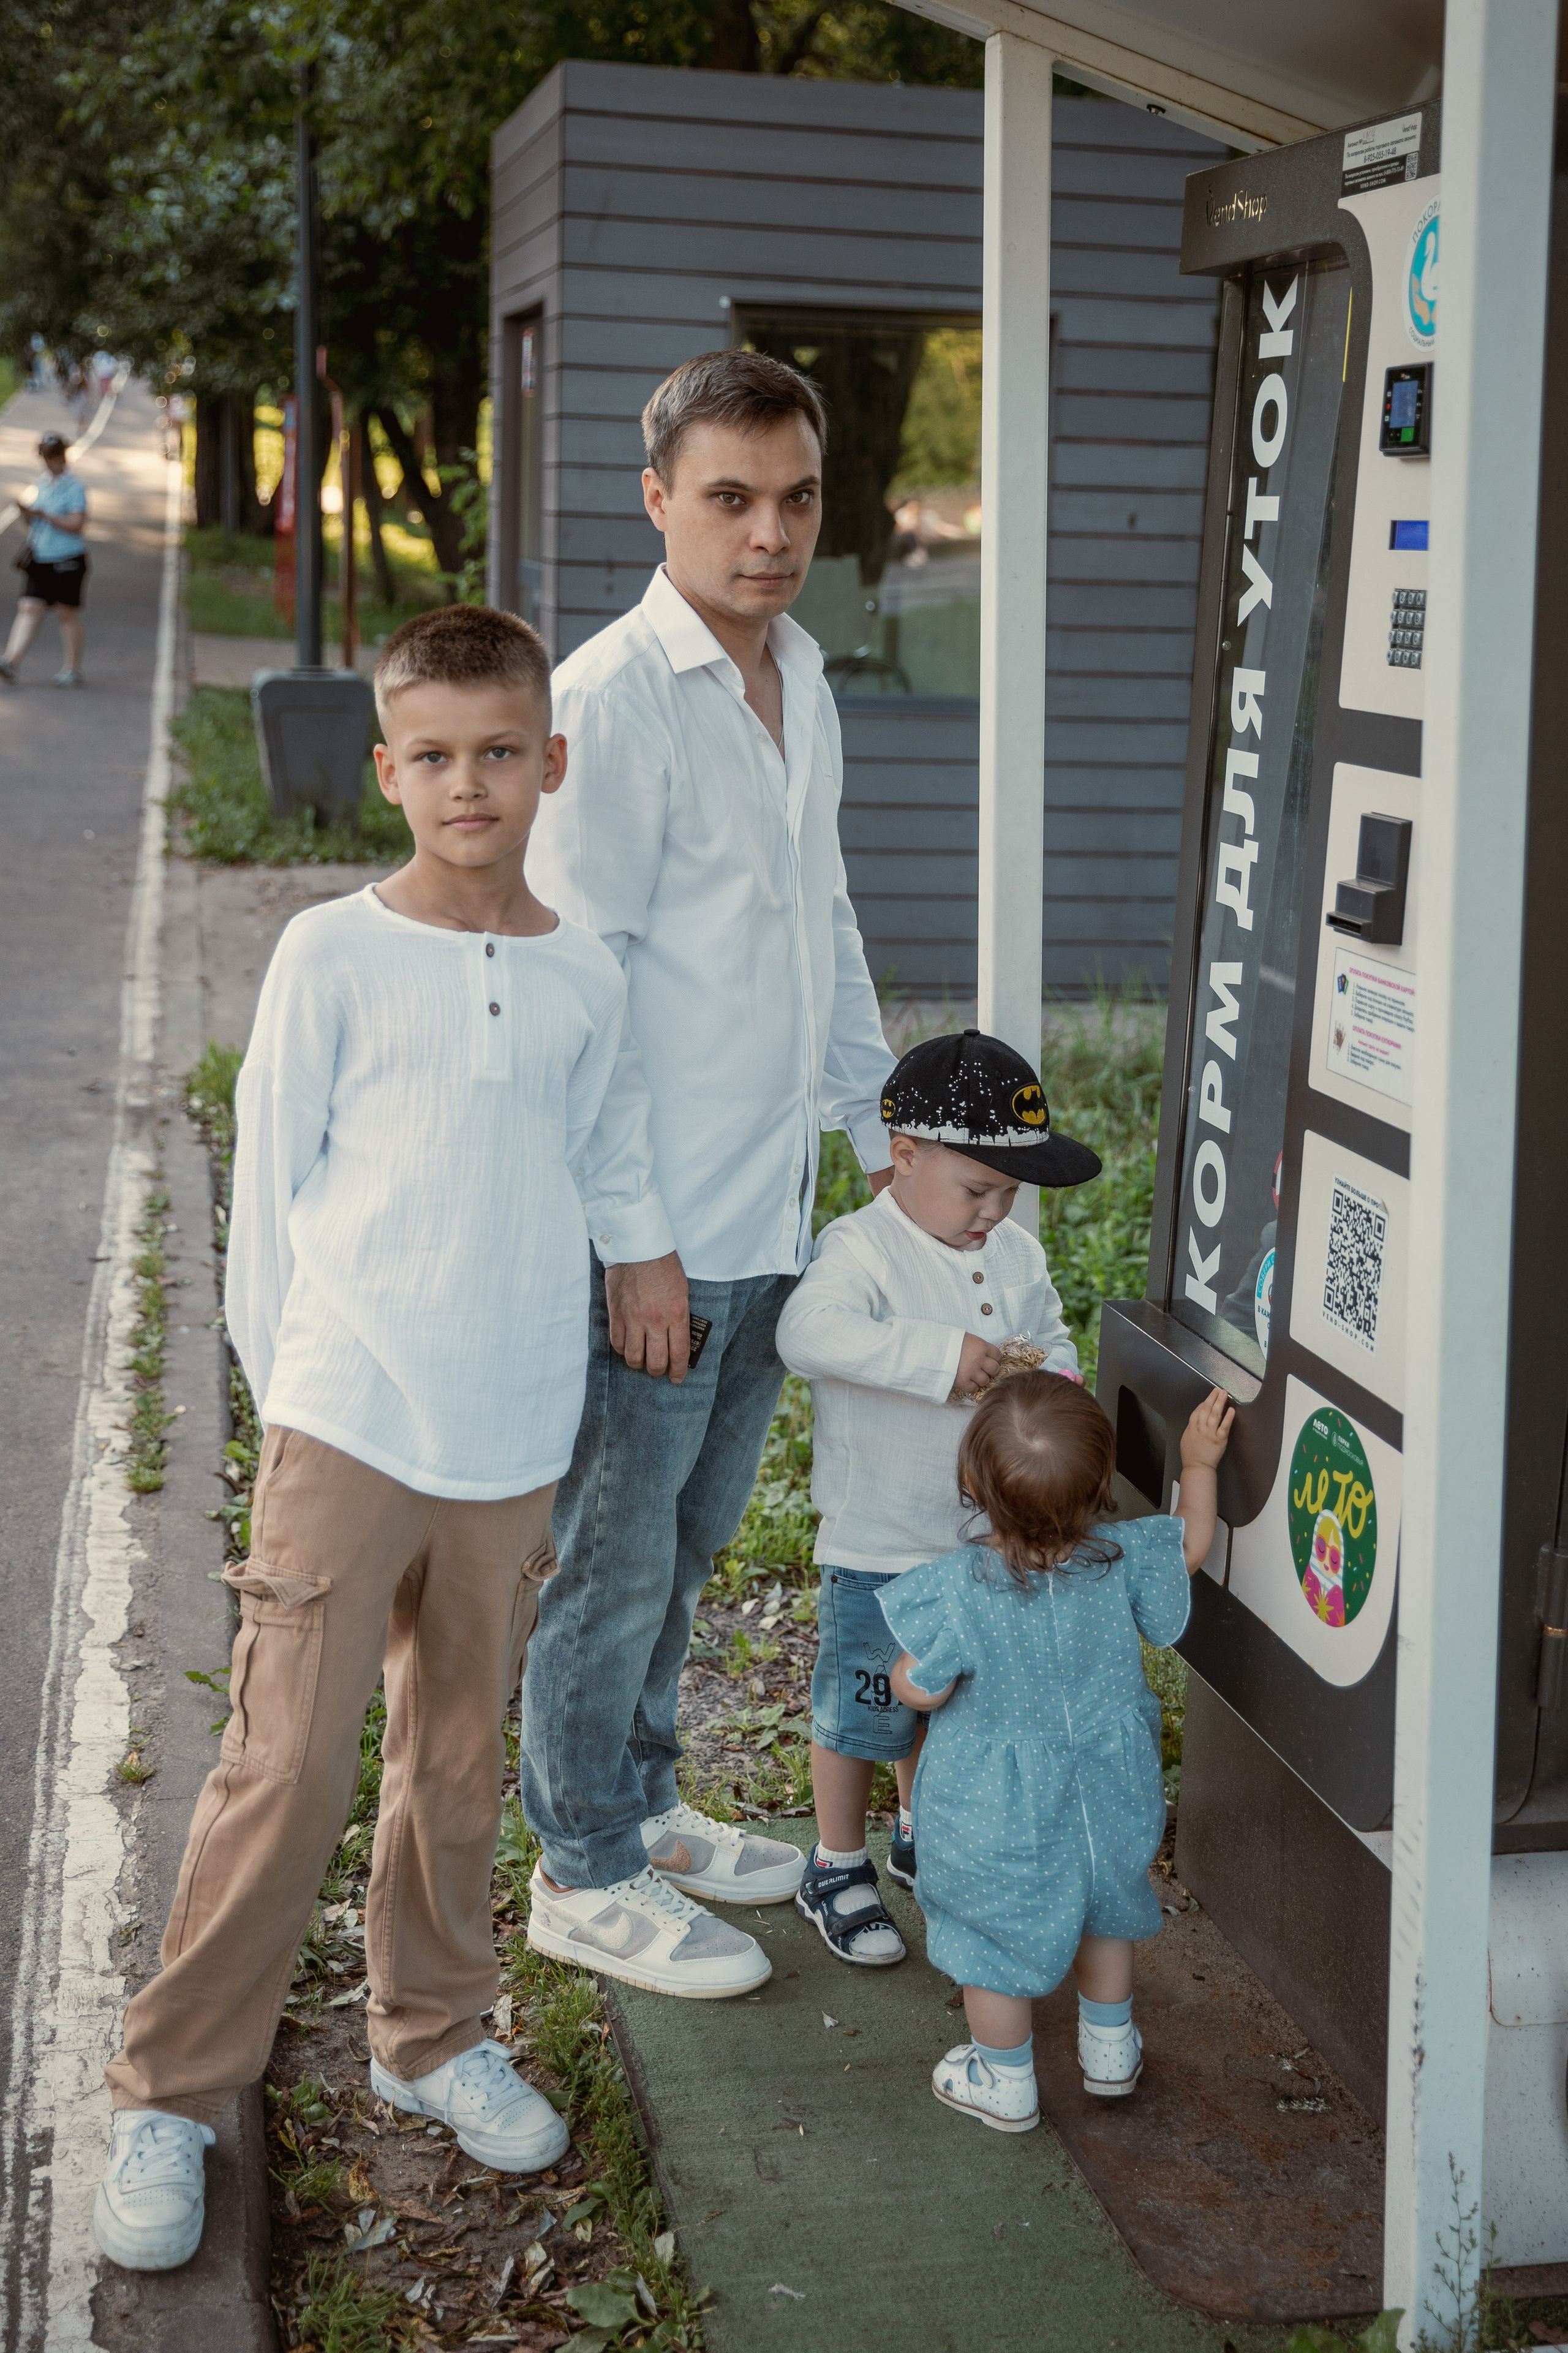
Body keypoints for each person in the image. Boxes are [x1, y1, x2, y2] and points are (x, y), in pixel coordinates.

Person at [95, 605, 649, 2271]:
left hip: (509, 1430)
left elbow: (604, 1159)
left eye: (500, 753)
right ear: (388, 770)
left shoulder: (587, 970)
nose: (468, 783)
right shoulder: (331, 951)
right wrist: (291, 1400)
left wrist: (640, 1279)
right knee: (285, 1765)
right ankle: (174, 2091)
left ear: (548, 763)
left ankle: (432, 2035)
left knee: (456, 1763)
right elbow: (269, 1194)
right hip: (349, 1414)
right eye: (434, 756)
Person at [518, 348, 897, 1999]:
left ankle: (644, 1804)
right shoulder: (608, 698)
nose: (769, 532)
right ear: (657, 496)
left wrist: (888, 1135)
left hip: (773, 1214)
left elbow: (822, 923)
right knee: (612, 1559)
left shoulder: (800, 675)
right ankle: (578, 1866)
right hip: (657, 1231)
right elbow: (573, 987)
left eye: (795, 497)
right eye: (730, 497)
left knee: (687, 1542)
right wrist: (636, 1245)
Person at [775, 1029, 1099, 1966]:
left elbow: (1050, 1332)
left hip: (975, 1544)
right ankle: (837, 1860)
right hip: (880, 1541)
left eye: (1010, 1193)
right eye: (977, 1189)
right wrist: (935, 1358)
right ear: (904, 1157)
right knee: (867, 1710)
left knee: (948, 1704)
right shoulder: (863, 1250)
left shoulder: (1014, 1256)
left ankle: (922, 1830)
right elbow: (807, 1333)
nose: (995, 1212)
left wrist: (1059, 1379)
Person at [881, 1375, 1235, 2134]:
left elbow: (921, 1689)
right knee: (1105, 1906)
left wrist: (905, 1678)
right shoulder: (1121, 1562)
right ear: (1100, 1483)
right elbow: (1193, 1543)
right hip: (1108, 1790)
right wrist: (1199, 1465)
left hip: (995, 1809)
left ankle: (1003, 2081)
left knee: (991, 1936)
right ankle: (1109, 2052)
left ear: (973, 1483)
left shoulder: (957, 1591)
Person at [0, 432, 88, 687]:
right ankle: (11, 661)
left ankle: (73, 668)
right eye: (45, 457)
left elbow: (77, 524)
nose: (49, 462)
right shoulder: (43, 483)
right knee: (29, 607)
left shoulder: (74, 487)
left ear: (62, 456)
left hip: (67, 558)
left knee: (66, 612)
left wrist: (45, 515)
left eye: (52, 456)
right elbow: (37, 521)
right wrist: (28, 514)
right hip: (41, 556)